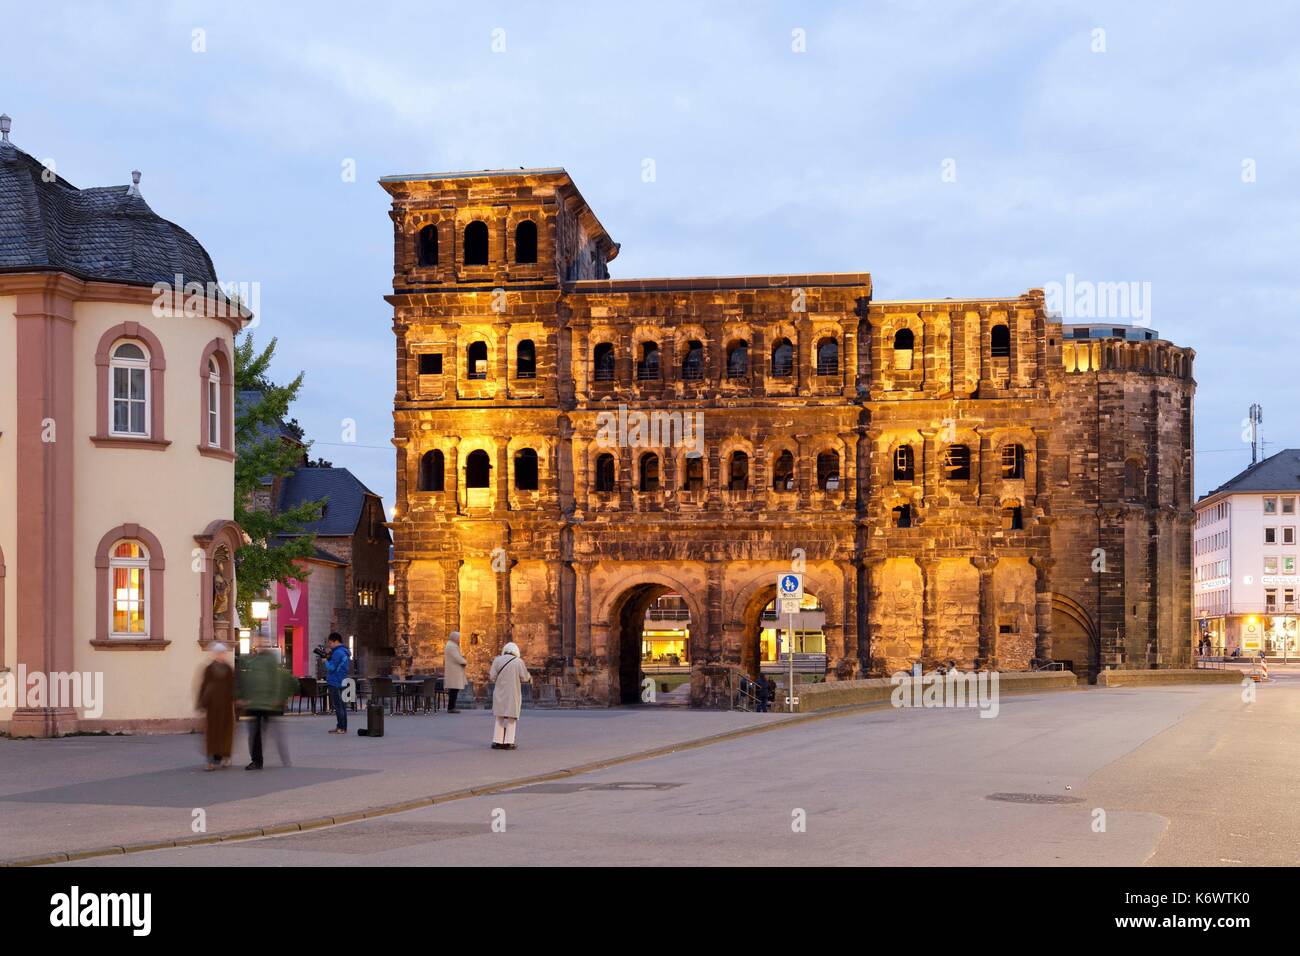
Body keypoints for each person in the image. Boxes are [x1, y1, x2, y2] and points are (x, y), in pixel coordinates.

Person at [237, 644, 298, 770]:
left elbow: (276, 681)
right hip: (256, 703)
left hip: (265, 703)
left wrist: (276, 697)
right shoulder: (253, 661)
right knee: (258, 733)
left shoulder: (267, 662)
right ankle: (260, 760)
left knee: (267, 733)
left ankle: (278, 757)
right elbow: (247, 681)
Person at [196, 643, 235, 770]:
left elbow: (233, 687)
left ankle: (225, 756)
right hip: (212, 706)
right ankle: (211, 760)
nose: (222, 655)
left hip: (226, 706)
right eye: (219, 652)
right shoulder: (209, 669)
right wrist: (201, 702)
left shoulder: (228, 669)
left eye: (223, 653)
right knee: (212, 733)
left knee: (225, 732)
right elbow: (203, 686)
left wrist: (237, 701)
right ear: (215, 654)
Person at [488, 642, 531, 750]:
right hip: (513, 692)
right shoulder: (518, 661)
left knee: (499, 716)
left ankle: (497, 741)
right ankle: (509, 742)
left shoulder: (497, 660)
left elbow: (492, 676)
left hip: (500, 691)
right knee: (512, 717)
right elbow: (524, 678)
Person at [324, 632, 351, 734]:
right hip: (342, 680)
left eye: (330, 643)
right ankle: (342, 727)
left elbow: (331, 667)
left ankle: (341, 728)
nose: (330, 645)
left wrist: (325, 661)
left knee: (338, 706)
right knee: (342, 705)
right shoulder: (344, 651)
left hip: (335, 681)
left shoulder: (338, 653)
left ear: (336, 641)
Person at [444, 630, 467, 713]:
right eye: (458, 638)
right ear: (454, 638)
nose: (459, 639)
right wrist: (464, 661)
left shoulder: (451, 645)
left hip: (453, 671)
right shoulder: (452, 646)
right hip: (454, 671)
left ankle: (452, 707)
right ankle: (451, 707)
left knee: (454, 690)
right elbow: (456, 657)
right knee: (454, 689)